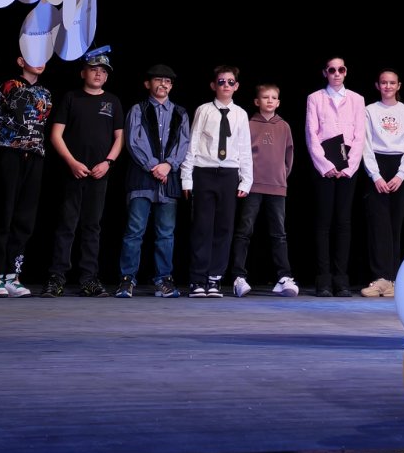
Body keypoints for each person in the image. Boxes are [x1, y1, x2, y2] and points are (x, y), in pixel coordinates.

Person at [43, 46, 124, 298]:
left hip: (99, 173)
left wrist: (108, 162)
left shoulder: (112, 101)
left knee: (92, 226)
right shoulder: (71, 98)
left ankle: (89, 279)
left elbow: (119, 138)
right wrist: (72, 162)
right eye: (93, 69)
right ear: (83, 73)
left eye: (103, 71)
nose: (98, 74)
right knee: (66, 225)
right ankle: (57, 278)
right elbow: (56, 135)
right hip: (73, 171)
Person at [113, 63, 190, 298]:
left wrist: (168, 165)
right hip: (141, 178)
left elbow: (184, 143)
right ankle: (127, 279)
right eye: (158, 80)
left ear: (171, 86)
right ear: (148, 84)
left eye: (167, 81)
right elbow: (133, 141)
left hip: (168, 179)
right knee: (134, 230)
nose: (163, 84)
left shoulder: (180, 113)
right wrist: (153, 165)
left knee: (166, 233)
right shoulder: (138, 109)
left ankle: (163, 279)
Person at [0, 52, 54, 298]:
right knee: (4, 214)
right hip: (9, 153)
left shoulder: (45, 93)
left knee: (25, 217)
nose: (40, 61)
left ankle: (13, 274)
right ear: (21, 61)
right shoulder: (9, 86)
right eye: (34, 56)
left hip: (34, 156)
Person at [180, 65, 254, 297]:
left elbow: (244, 148)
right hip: (204, 172)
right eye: (221, 81)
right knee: (202, 226)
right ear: (213, 85)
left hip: (229, 174)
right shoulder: (204, 110)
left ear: (237, 86)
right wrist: (186, 178)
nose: (226, 85)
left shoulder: (240, 114)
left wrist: (246, 180)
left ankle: (215, 278)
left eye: (230, 82)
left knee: (224, 227)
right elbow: (192, 143)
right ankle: (197, 279)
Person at [227, 82, 298, 297]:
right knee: (244, 231)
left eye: (273, 98)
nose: (269, 101)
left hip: (277, 186)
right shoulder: (248, 124)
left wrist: (281, 177)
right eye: (265, 97)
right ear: (257, 101)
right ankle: (238, 277)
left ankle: (284, 277)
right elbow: (240, 153)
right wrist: (244, 180)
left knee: (279, 233)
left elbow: (289, 156)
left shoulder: (284, 126)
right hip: (252, 186)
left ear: (278, 102)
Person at [305, 57, 365, 297]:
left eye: (341, 69)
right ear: (325, 73)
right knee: (323, 222)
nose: (337, 73)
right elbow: (311, 134)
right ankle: (324, 280)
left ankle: (341, 280)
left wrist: (348, 167)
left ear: (346, 72)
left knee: (343, 222)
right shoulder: (315, 98)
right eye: (332, 70)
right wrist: (326, 165)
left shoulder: (357, 99)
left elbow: (360, 136)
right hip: (324, 167)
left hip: (348, 168)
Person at [359, 68, 404, 298]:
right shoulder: (369, 111)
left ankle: (393, 280)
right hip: (377, 164)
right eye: (384, 83)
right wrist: (375, 175)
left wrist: (401, 174)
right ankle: (380, 279)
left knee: (395, 225)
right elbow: (365, 143)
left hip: (398, 167)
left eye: (392, 83)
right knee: (378, 225)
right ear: (378, 86)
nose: (388, 86)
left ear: (398, 86)